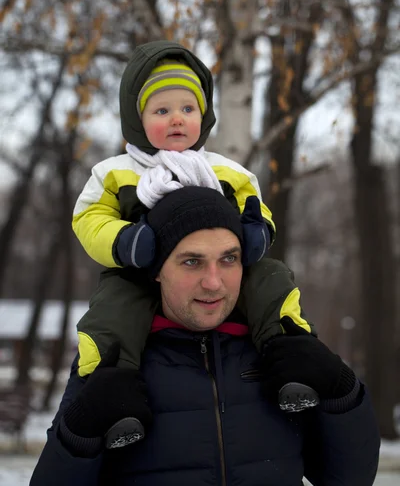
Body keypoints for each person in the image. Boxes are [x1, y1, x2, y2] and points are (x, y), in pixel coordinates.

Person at [30, 187, 380, 486]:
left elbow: (349, 477)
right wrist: (79, 434)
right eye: (191, 262)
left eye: (229, 259)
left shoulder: (282, 345)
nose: (214, 282)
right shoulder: (114, 358)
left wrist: (343, 393)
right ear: (156, 272)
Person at [72, 40, 315, 388]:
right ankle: (109, 386)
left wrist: (257, 229)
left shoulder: (226, 171)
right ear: (137, 119)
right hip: (138, 271)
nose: (177, 119)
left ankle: (290, 352)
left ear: (203, 115)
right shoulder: (115, 172)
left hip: (214, 267)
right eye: (161, 111)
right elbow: (88, 218)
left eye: (188, 108)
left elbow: (254, 205)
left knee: (271, 279)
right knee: (113, 308)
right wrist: (123, 241)